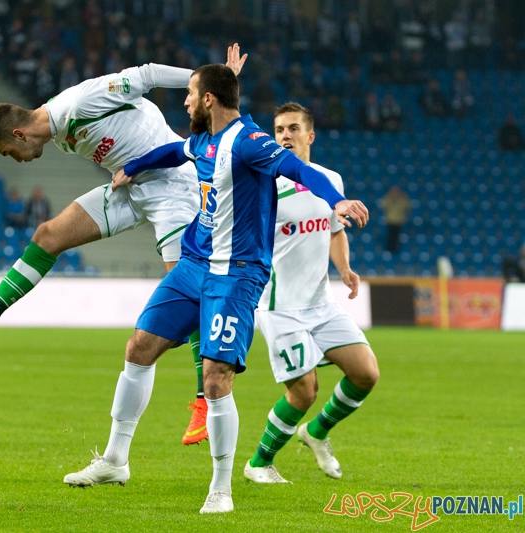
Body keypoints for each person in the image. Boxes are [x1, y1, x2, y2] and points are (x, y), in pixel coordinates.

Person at [62, 65, 368, 514]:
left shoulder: (251, 143)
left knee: (215, 378)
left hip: (236, 274)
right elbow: (172, 152)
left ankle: (221, 488)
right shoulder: (203, 142)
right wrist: (133, 166)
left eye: (190, 93)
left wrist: (335, 200)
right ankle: (114, 460)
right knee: (139, 347)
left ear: (208, 99)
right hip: (193, 266)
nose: (184, 101)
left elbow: (297, 169)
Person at [0, 45, 249, 447]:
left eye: (11, 152)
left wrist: (210, 79)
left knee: (186, 285)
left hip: (173, 186)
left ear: (19, 133)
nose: (18, 160)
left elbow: (144, 75)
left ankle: (203, 398)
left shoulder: (81, 101)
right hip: (129, 186)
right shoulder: (60, 133)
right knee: (48, 235)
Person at [243, 102, 379, 485]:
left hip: (321, 303)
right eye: (279, 129)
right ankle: (259, 462)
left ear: (309, 136)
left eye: (292, 128)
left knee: (366, 373)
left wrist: (345, 268)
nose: (284, 135)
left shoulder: (329, 179)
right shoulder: (264, 185)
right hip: (280, 305)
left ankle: (316, 432)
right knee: (304, 391)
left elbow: (335, 230)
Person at [380, 185, 411, 253]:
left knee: (397, 237)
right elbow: (382, 205)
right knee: (390, 237)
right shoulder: (388, 199)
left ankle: (396, 251)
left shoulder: (402, 199)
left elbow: (408, 206)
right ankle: (389, 250)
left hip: (398, 221)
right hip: (390, 221)